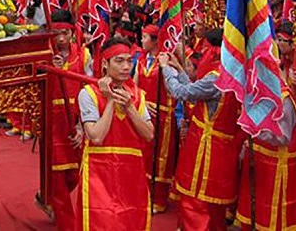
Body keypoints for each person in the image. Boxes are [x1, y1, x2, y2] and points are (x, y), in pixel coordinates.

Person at [159, 28, 243, 231]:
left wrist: (166, 69)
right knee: (213, 207)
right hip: (222, 149)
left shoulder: (216, 77)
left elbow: (181, 92)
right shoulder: (234, 73)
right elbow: (197, 90)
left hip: (206, 151)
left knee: (196, 203)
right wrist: (179, 68)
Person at [77, 36, 154, 230]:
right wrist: (110, 100)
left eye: (129, 61)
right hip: (98, 172)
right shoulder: (88, 94)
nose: (126, 67)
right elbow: (96, 136)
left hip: (131, 172)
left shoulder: (137, 95)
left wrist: (129, 108)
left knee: (130, 221)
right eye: (119, 61)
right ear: (105, 64)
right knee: (100, 222)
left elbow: (149, 134)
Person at [235, 40, 296, 231]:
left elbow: (283, 137)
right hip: (257, 162)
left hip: (274, 169)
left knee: (270, 220)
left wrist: (255, 129)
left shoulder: (283, 98)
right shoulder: (256, 92)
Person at [39, 9, 86, 230]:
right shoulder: (43, 55)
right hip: (51, 121)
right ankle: (67, 223)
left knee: (74, 175)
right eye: (56, 33)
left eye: (65, 33)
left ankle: (45, 194)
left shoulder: (84, 55)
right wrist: (49, 70)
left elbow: (88, 88)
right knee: (58, 175)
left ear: (72, 33)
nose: (60, 39)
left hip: (75, 120)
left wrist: (82, 125)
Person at [137, 23, 177, 213]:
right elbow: (134, 86)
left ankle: (159, 198)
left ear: (155, 41)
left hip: (164, 114)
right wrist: (142, 102)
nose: (141, 41)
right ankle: (144, 194)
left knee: (162, 156)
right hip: (146, 111)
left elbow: (173, 86)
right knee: (146, 153)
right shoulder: (141, 60)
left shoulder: (166, 61)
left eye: (145, 37)